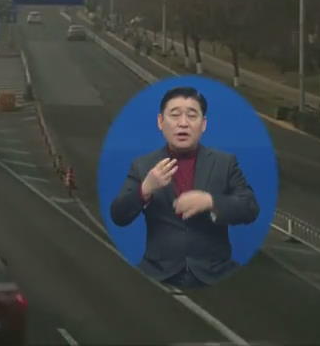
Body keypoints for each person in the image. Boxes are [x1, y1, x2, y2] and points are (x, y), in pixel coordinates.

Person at [109, 85, 260, 288]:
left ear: (203, 124)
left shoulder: (224, 163)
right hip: (157, 274)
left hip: (216, 273)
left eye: (192, 115)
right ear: (160, 122)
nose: (183, 123)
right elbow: (119, 215)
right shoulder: (143, 166)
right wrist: (145, 190)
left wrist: (210, 201)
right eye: (174, 115)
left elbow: (250, 207)